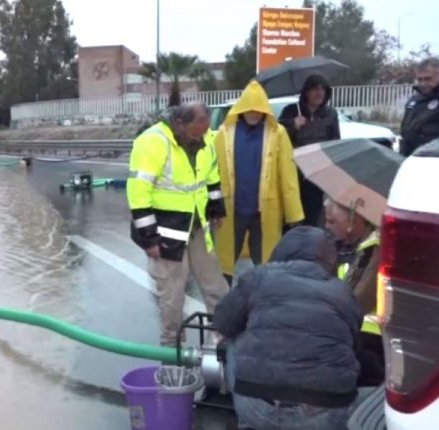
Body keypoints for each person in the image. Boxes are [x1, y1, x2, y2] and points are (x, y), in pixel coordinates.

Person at [213, 226, 363, 430]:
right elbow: (353, 343)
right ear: (329, 259)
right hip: (325, 411)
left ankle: (248, 425)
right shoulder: (343, 292)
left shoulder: (260, 276)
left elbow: (223, 322)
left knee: (232, 341)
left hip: (257, 407)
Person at [127, 102, 230, 347]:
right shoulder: (152, 142)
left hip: (196, 226)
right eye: (196, 132)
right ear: (179, 123)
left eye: (204, 131)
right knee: (172, 297)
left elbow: (212, 175)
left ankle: (225, 340)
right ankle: (172, 349)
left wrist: (217, 207)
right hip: (165, 235)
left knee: (216, 287)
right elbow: (138, 193)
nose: (201, 137)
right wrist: (149, 238)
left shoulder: (205, 139)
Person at [213, 81, 305, 283]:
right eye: (250, 109)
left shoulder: (277, 133)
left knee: (266, 264)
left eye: (259, 109)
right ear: (242, 109)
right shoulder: (224, 133)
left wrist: (294, 214)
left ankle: (264, 304)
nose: (254, 113)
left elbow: (288, 174)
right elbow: (213, 173)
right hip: (231, 211)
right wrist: (213, 207)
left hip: (265, 212)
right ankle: (221, 306)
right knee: (224, 263)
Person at [324, 197, 384, 387]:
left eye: (332, 221)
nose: (326, 226)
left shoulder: (374, 248)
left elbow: (357, 302)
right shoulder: (357, 245)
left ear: (353, 221)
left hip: (370, 341)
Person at [279, 74, 341, 227]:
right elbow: (277, 139)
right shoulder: (291, 111)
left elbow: (335, 142)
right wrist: (293, 125)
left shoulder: (330, 114)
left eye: (323, 89)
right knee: (293, 214)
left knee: (315, 214)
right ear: (306, 91)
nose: (319, 93)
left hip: (318, 171)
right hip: (294, 171)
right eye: (315, 89)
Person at [400, 57, 439, 156]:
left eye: (428, 79)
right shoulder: (414, 100)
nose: (423, 83)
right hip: (410, 158)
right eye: (419, 79)